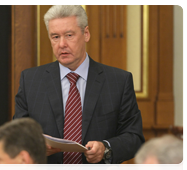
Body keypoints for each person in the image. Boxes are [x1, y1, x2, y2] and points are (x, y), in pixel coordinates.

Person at [14, 5, 145, 170]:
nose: (62, 44)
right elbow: (17, 136)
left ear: (86, 34)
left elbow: (134, 138)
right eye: (55, 37)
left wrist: (106, 148)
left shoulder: (118, 81)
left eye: (69, 35)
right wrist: (34, 146)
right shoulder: (31, 80)